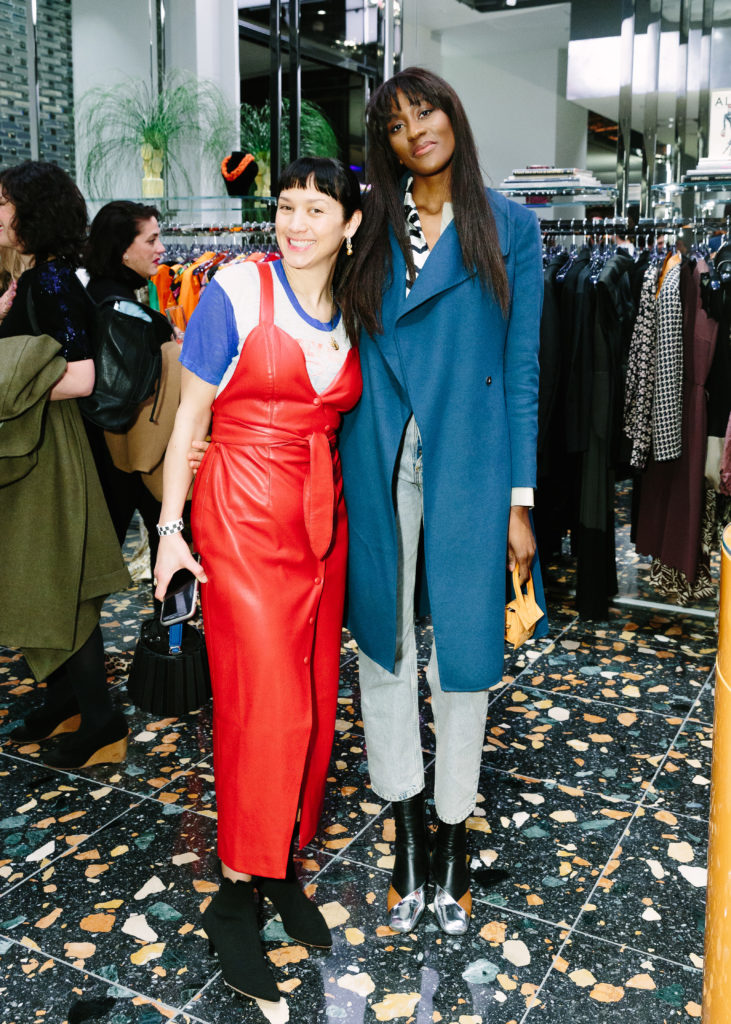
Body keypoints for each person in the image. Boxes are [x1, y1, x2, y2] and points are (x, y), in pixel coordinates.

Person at [338, 67, 545, 936]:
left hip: (468, 458)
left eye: (424, 111)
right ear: (382, 144)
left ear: (452, 116)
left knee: (462, 652)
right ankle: (403, 831)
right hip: (378, 454)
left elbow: (523, 368)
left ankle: (453, 829)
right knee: (382, 643)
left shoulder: (511, 227)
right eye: (393, 122)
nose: (414, 129)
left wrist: (518, 499)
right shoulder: (370, 228)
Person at [153, 156, 362, 1002]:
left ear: (350, 224)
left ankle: (278, 861)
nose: (297, 223)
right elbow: (187, 418)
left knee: (311, 697)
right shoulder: (236, 291)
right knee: (262, 702)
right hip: (239, 510)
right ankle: (234, 893)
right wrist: (170, 532)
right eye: (286, 207)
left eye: (317, 209)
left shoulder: (356, 303)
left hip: (321, 517)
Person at [0, 160, 131, 769]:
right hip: (38, 446)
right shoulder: (35, 277)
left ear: (30, 215)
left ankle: (102, 719)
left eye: (4, 202)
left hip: (52, 453)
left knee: (62, 581)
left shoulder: (50, 281)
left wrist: (13, 379)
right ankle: (66, 700)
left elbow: (80, 376)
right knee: (42, 573)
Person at [84, 201, 175, 608]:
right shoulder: (129, 314)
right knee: (167, 545)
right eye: (151, 239)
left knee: (96, 563)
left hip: (104, 452)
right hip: (134, 454)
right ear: (123, 248)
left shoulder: (93, 295)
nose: (161, 249)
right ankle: (170, 644)